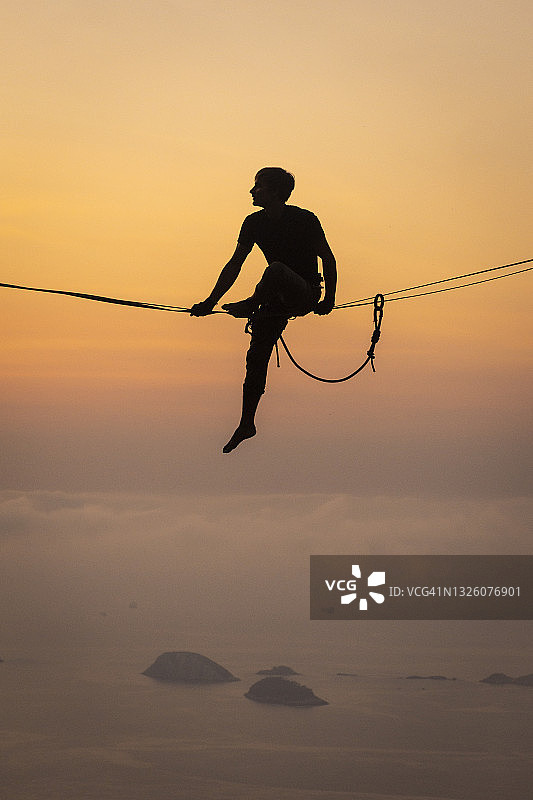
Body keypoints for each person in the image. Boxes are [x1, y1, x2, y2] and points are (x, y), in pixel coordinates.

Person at [190, 167, 337, 453]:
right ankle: (247, 423)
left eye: (258, 186)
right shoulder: (253, 223)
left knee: (276, 269)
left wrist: (329, 299)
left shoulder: (305, 219)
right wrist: (210, 301)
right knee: (255, 358)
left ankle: (250, 303)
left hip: (303, 292)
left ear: (276, 192)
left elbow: (327, 257)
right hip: (273, 300)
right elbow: (235, 264)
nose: (252, 191)